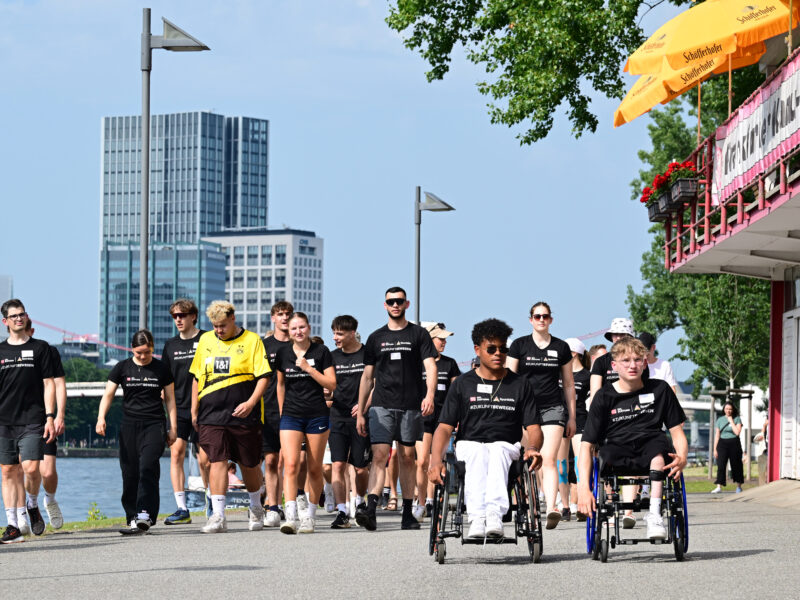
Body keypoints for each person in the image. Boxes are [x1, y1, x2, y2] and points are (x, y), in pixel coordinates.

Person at [428, 318, 543, 538]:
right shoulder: (462, 384)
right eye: (491, 349)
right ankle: (477, 518)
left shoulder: (520, 384)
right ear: (477, 350)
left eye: (503, 349)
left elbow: (534, 427)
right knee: (479, 451)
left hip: (507, 447)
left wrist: (534, 447)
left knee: (498, 449)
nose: (498, 353)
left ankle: (494, 515)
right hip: (469, 446)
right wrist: (435, 461)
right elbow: (444, 427)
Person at [577, 337, 688, 540]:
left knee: (658, 455)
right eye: (626, 360)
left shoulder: (660, 390)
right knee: (605, 452)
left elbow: (677, 432)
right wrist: (584, 488)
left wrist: (682, 457)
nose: (632, 365)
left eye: (638, 360)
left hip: (651, 442)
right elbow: (586, 445)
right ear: (614, 365)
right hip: (616, 446)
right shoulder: (603, 397)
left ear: (645, 363)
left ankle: (654, 514)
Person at [355, 286, 437, 531]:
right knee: (379, 455)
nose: (395, 305)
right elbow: (367, 377)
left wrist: (430, 395)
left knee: (407, 457)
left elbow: (430, 367)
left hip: (411, 404)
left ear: (407, 304)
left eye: (399, 301)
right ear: (385, 305)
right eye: (391, 301)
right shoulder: (375, 337)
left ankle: (408, 513)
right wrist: (360, 411)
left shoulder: (419, 334)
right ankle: (370, 508)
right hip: (381, 405)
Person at [189, 300, 271, 533]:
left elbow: (264, 376)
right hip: (212, 414)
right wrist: (194, 408)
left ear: (233, 319)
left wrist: (251, 402)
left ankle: (256, 507)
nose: (218, 330)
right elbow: (196, 377)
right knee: (217, 461)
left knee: (249, 463)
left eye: (223, 325)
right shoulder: (205, 341)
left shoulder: (252, 340)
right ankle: (218, 515)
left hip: (244, 414)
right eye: (215, 326)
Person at [96, 329, 178, 535]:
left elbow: (170, 400)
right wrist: (101, 418)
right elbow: (108, 395)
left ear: (152, 349)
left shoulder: (161, 369)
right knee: (129, 472)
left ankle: (145, 514)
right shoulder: (121, 368)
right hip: (129, 426)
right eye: (139, 352)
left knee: (148, 467)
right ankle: (132, 516)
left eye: (147, 352)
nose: (143, 356)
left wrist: (173, 427)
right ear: (132, 349)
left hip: (154, 424)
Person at [507, 301, 575, 530]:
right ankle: (529, 501)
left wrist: (572, 417)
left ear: (551, 320)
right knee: (529, 458)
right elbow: (509, 378)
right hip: (525, 409)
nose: (541, 320)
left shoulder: (561, 347)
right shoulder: (519, 345)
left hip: (553, 406)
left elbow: (568, 384)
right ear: (530, 320)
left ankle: (552, 506)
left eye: (545, 316)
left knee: (549, 458)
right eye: (537, 316)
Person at [0, 299, 56, 543]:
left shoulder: (40, 348)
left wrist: (51, 416)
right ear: (5, 321)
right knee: (8, 471)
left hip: (34, 418)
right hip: (4, 420)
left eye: (21, 314)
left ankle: (32, 504)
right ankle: (12, 524)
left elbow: (49, 383)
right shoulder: (0, 351)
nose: (19, 319)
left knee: (31, 468)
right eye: (14, 316)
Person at [276, 312, 336, 534]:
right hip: (291, 416)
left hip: (317, 415)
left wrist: (309, 369)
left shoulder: (321, 352)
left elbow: (332, 383)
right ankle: (290, 516)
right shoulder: (283, 353)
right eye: (293, 329)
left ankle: (309, 516)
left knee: (313, 466)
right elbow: (280, 385)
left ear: (309, 328)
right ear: (289, 332)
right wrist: (283, 410)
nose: (298, 332)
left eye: (301, 327)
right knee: (290, 465)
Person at [161, 299, 206, 525]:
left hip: (204, 407)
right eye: (175, 316)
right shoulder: (170, 346)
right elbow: (165, 378)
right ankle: (182, 508)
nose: (178, 319)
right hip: (177, 409)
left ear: (193, 316)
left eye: (182, 315)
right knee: (176, 453)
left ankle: (212, 504)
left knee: (206, 460)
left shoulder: (207, 339)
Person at [328, 315, 371, 529]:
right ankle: (342, 511)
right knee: (337, 464)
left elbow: (375, 384)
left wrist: (363, 406)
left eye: (340, 334)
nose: (335, 338)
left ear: (352, 333)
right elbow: (327, 385)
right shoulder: (332, 357)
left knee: (361, 468)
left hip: (361, 418)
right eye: (334, 333)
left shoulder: (367, 354)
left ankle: (360, 501)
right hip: (337, 416)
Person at [23, 319, 65, 530]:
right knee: (28, 470)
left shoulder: (48, 351)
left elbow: (59, 384)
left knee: (47, 472)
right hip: (18, 419)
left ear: (32, 330)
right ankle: (29, 508)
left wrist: (59, 415)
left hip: (44, 418)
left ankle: (49, 499)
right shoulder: (10, 353)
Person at [416, 322, 461, 520]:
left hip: (443, 419)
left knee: (438, 460)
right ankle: (420, 501)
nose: (443, 342)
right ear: (429, 339)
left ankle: (432, 501)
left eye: (445, 339)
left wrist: (458, 416)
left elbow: (456, 393)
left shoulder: (450, 364)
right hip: (421, 416)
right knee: (422, 461)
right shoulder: (417, 362)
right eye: (440, 338)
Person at [261, 301, 293, 527]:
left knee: (291, 461)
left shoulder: (299, 345)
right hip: (268, 409)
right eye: (280, 314)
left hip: (296, 409)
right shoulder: (263, 346)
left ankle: (292, 501)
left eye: (288, 314)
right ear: (273, 318)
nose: (284, 318)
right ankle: (273, 506)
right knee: (272, 460)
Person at [557, 337, 591, 521]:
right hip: (561, 420)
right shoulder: (558, 374)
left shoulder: (587, 375)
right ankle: (565, 505)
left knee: (580, 463)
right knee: (562, 466)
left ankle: (579, 503)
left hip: (580, 420)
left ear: (574, 353)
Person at [711, 401, 744, 494]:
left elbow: (737, 432)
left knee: (736, 465)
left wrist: (731, 421)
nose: (728, 411)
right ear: (724, 410)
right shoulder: (720, 420)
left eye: (730, 409)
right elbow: (717, 435)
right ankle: (719, 486)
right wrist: (715, 449)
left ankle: (738, 486)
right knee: (721, 465)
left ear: (733, 410)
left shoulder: (737, 419)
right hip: (722, 444)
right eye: (726, 409)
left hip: (734, 443)